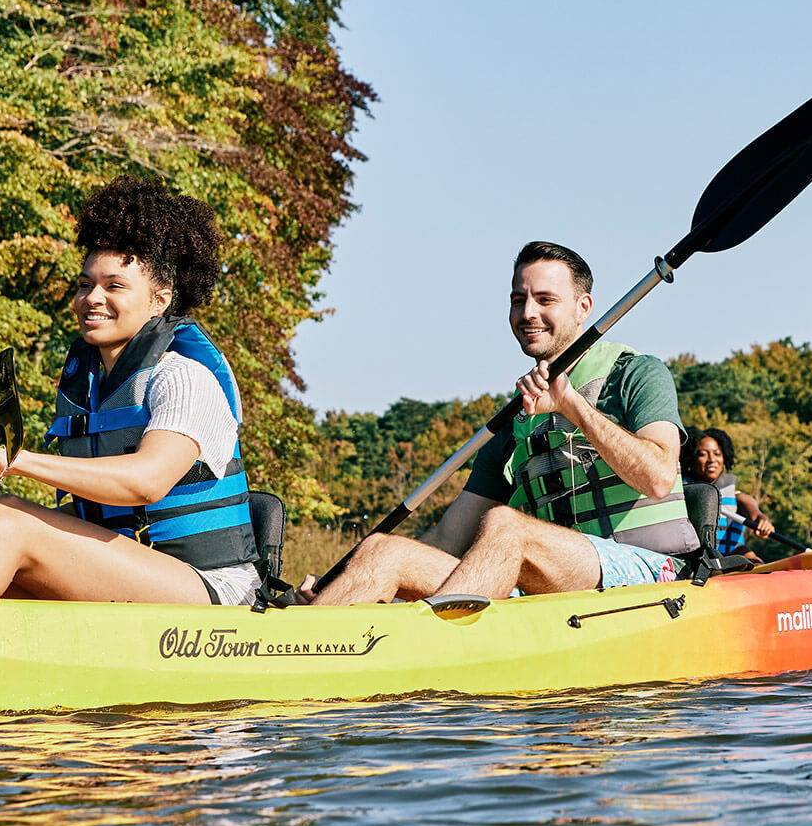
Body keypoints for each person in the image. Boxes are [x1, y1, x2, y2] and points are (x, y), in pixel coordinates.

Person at [0, 178, 265, 604]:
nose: (92, 298)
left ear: (160, 300)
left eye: (114, 286)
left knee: (10, 520)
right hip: (128, 575)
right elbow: (94, 521)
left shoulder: (183, 376)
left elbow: (145, 483)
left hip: (213, 592)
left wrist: (15, 462)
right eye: (86, 284)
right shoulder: (88, 387)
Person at [302, 241, 700, 605]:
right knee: (380, 550)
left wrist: (572, 406)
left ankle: (424, 644)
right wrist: (348, 579)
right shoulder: (515, 418)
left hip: (651, 573)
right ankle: (314, 637)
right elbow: (446, 539)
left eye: (545, 300)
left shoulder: (638, 374)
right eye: (518, 300)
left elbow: (659, 479)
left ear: (583, 308)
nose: (528, 313)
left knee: (506, 524)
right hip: (551, 582)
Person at [683, 426, 772, 557]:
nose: (711, 460)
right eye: (702, 454)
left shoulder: (738, 496)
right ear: (691, 459)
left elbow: (754, 512)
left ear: (725, 458)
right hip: (697, 559)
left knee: (747, 556)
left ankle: (758, 573)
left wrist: (763, 520)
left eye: (717, 454)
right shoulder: (681, 494)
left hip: (731, 556)